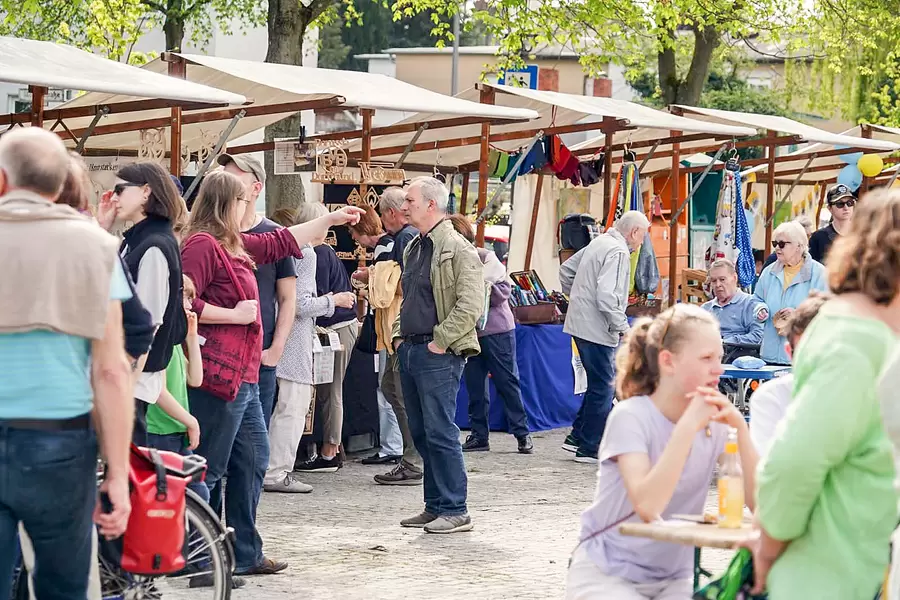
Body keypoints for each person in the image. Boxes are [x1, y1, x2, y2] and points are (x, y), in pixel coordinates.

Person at [181, 170, 362, 576]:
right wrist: (233, 314)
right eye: (242, 200)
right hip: (219, 374)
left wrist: (330, 221)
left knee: (254, 459)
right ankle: (201, 559)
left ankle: (243, 552)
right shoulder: (201, 245)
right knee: (211, 465)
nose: (248, 207)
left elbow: (281, 240)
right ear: (226, 204)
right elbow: (183, 301)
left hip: (244, 374)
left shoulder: (233, 243)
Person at [746, 189, 899, 599]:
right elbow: (796, 461)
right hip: (825, 573)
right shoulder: (853, 341)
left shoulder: (865, 334)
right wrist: (770, 544)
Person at [0, 128, 133, 599]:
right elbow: (111, 370)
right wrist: (117, 473)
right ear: (60, 184)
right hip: (59, 436)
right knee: (63, 587)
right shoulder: (94, 246)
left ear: (2, 179)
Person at [566, 304, 757, 599]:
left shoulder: (716, 421)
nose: (719, 368)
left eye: (719, 357)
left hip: (673, 577)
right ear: (668, 361)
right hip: (607, 571)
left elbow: (762, 506)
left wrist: (740, 430)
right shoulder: (631, 416)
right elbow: (648, 505)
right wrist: (687, 426)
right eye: (707, 358)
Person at [391, 176, 485, 534]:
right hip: (414, 350)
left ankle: (456, 509)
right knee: (422, 431)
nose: (404, 206)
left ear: (431, 204)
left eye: (410, 200)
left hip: (436, 353)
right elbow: (410, 298)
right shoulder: (415, 246)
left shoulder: (458, 249)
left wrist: (440, 342)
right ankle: (435, 506)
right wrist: (400, 336)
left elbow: (471, 305)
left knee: (441, 431)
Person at [265, 205, 355, 493]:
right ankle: (277, 471)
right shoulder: (306, 252)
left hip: (279, 337)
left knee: (283, 407)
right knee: (293, 407)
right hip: (293, 341)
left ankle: (272, 469)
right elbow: (301, 304)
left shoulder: (286, 248)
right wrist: (334, 300)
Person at [96, 161, 187, 445]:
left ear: (146, 192)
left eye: (121, 189)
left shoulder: (154, 245)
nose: (113, 197)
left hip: (132, 382)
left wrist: (125, 387)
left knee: (125, 472)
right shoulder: (138, 240)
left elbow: (150, 324)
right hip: (124, 377)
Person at [559, 210, 650, 463]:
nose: (641, 243)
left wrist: (578, 298)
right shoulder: (619, 251)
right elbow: (608, 297)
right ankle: (589, 447)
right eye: (642, 236)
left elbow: (566, 272)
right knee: (604, 386)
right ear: (633, 232)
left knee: (598, 383)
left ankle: (577, 437)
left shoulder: (599, 243)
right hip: (597, 328)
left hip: (580, 324)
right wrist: (623, 327)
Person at [218, 153, 297, 428]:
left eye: (236, 177)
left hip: (260, 352)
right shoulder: (212, 234)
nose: (228, 183)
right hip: (218, 350)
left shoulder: (273, 234)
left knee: (254, 441)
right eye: (225, 176)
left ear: (256, 188)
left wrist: (276, 349)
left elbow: (288, 298)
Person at [448, 214, 534, 455]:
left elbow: (502, 293)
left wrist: (477, 288)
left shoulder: (486, 257)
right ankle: (479, 435)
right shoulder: (450, 262)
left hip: (496, 330)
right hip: (469, 332)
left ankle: (522, 433)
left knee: (507, 381)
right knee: (475, 385)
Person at [293, 201, 360, 474]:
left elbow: (315, 298)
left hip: (336, 329)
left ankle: (330, 451)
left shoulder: (317, 252)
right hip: (336, 327)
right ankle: (331, 449)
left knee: (330, 390)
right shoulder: (319, 252)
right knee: (328, 391)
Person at [367, 187, 425, 486]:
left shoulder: (405, 237)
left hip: (400, 328)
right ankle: (413, 455)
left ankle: (414, 457)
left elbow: (401, 283)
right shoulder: (412, 236)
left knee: (398, 389)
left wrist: (372, 277)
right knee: (392, 387)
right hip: (401, 329)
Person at [144, 275, 210, 504]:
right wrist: (191, 421)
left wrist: (192, 339)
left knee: (196, 492)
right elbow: (158, 391)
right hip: (159, 431)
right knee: (189, 493)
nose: (191, 305)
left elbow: (196, 379)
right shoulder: (160, 342)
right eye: (186, 299)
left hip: (175, 432)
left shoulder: (174, 343)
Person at [349, 204, 404, 466]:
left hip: (388, 325)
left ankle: (391, 446)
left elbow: (383, 292)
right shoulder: (391, 244)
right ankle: (395, 444)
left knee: (386, 388)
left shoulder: (384, 248)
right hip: (391, 325)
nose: (354, 240)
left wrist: (364, 284)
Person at [750, 291, 830, 457]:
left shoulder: (868, 396)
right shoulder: (771, 398)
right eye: (806, 353)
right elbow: (767, 466)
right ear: (789, 353)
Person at [753, 220, 828, 365]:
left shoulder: (819, 273)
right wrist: (759, 309)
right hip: (770, 354)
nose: (777, 248)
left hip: (802, 357)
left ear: (799, 246)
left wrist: (798, 317)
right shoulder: (769, 272)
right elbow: (756, 299)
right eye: (775, 244)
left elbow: (825, 311)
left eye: (782, 244)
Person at [701, 259, 768, 347]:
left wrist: (725, 342)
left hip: (738, 356)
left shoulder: (750, 304)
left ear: (735, 278)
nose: (718, 285)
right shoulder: (705, 309)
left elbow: (757, 336)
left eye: (722, 279)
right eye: (714, 281)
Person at [808, 184, 855, 264]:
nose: (846, 207)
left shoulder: (863, 234)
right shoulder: (819, 237)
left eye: (849, 203)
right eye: (840, 204)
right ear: (829, 208)